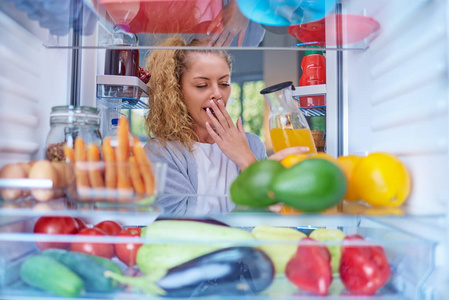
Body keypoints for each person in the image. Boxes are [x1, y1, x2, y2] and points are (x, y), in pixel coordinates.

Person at [144, 36, 308, 215]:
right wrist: (258, 177)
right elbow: (178, 219)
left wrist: (248, 161)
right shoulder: (160, 151)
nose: (217, 93)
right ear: (176, 91)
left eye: (224, 83)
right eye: (202, 85)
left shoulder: (251, 145)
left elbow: (266, 216)